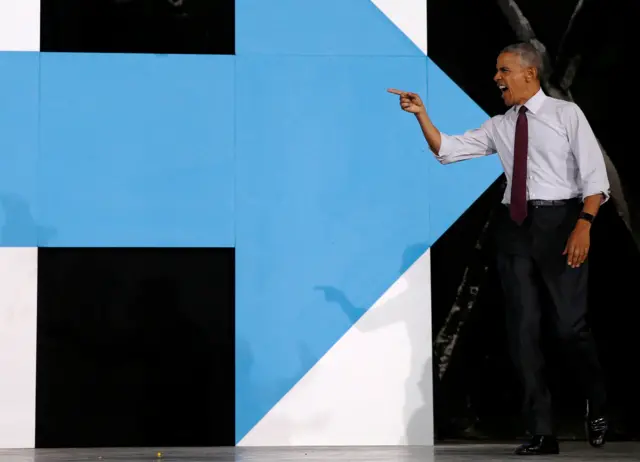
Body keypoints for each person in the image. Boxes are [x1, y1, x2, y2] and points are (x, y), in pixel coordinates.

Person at [389, 42, 609, 455]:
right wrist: (422, 115)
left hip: (562, 224)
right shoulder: (500, 124)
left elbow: (595, 179)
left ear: (530, 73)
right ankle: (542, 432)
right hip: (516, 228)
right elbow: (447, 149)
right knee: (523, 332)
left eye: (504, 70)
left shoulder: (566, 115)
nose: (497, 78)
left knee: (568, 328)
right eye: (497, 71)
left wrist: (585, 224)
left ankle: (597, 402)